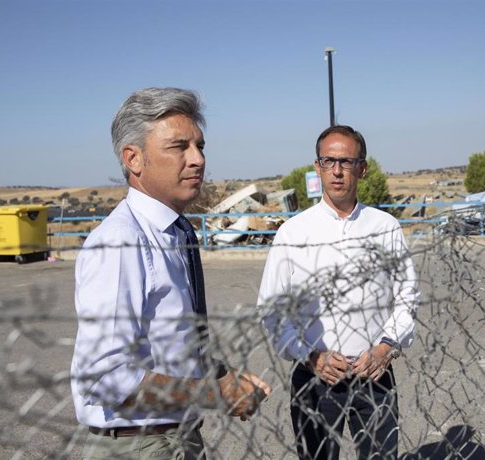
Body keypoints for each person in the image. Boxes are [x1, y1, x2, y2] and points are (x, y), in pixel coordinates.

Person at [71, 87, 271, 459]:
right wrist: (217, 394)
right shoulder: (121, 243)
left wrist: (222, 376)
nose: (197, 159)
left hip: (175, 436)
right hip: (139, 444)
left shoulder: (177, 232)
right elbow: (104, 377)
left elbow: (179, 337)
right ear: (134, 158)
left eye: (200, 146)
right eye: (179, 147)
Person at [258, 125, 419, 459]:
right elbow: (271, 311)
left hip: (374, 375)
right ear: (317, 166)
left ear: (363, 168)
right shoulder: (293, 232)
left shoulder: (384, 227)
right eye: (328, 161)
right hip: (315, 378)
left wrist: (387, 347)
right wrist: (310, 355)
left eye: (346, 162)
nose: (336, 171)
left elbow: (407, 296)